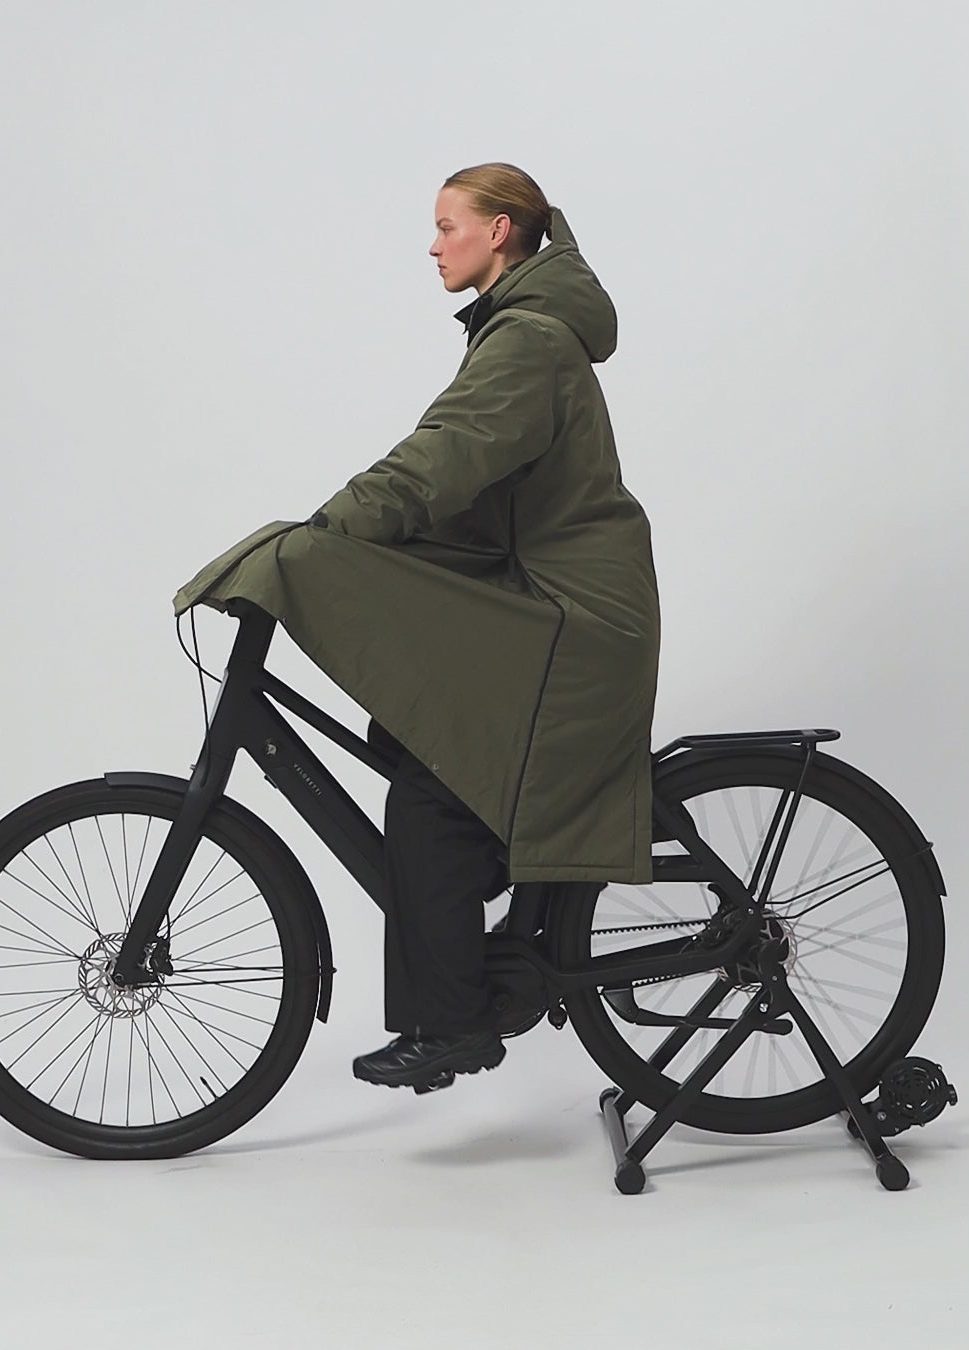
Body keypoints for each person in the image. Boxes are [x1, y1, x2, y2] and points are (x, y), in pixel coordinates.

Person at [306, 163, 662, 1091]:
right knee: (416, 740)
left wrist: (325, 533)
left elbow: (444, 458)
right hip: (554, 607)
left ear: (499, 232)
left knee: (430, 797)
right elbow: (463, 486)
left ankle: (454, 1023)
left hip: (576, 624)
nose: (432, 246)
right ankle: (491, 916)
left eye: (446, 226)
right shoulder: (518, 329)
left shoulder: (528, 340)